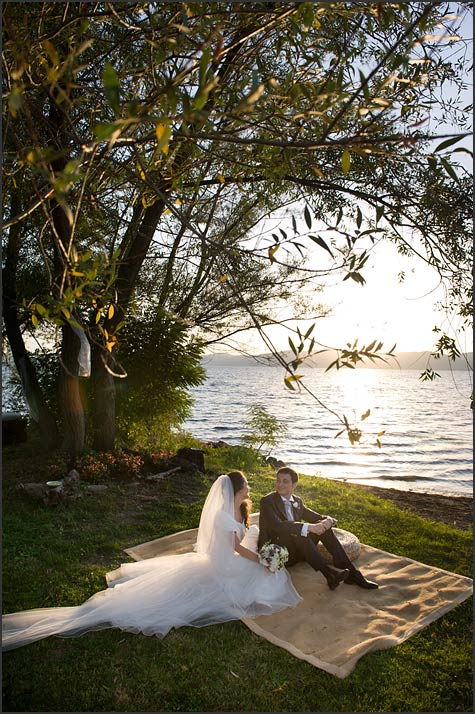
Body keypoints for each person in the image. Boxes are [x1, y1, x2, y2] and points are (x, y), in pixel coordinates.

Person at [2, 471, 302, 651]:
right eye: (246, 486)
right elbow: (236, 549)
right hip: (225, 565)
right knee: (265, 578)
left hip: (232, 555)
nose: (249, 489)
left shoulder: (241, 508)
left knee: (266, 574)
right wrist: (262, 561)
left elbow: (245, 536)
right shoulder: (225, 517)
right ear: (235, 491)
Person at [258, 467, 378, 591]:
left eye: (285, 481)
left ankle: (353, 574)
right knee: (301, 533)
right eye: (278, 480)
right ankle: (330, 575)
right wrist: (309, 527)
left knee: (323, 528)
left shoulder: (297, 501)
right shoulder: (267, 501)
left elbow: (316, 517)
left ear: (294, 485)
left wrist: (328, 520)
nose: (280, 484)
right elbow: (278, 526)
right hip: (277, 552)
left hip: (299, 550)